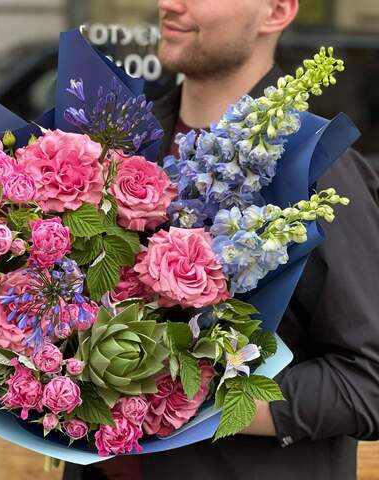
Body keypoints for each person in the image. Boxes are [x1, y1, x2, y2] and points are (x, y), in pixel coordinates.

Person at [65, 1, 379, 479]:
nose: (169, 3)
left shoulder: (318, 168)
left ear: (276, 11)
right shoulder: (117, 140)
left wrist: (179, 400)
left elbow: (368, 382)